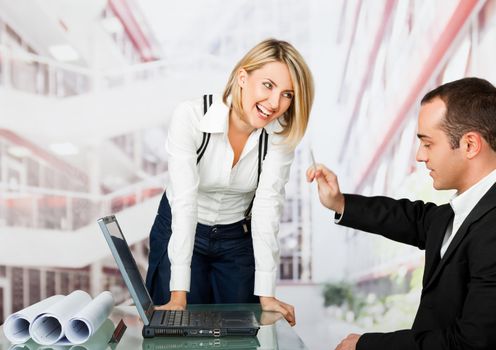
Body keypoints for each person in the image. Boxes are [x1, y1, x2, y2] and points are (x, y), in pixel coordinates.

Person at [307, 77, 496, 349]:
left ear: (469, 145)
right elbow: (409, 217)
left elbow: (471, 343)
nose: (420, 156)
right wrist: (339, 202)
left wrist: (366, 345)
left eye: (428, 144)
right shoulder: (457, 213)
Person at [145, 38, 314, 326]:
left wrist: (267, 294)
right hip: (182, 226)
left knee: (239, 332)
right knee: (177, 329)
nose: (275, 104)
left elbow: (267, 207)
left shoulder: (279, 136)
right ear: (242, 78)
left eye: (287, 94)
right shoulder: (191, 116)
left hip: (237, 239)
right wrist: (178, 295)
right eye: (268, 86)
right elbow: (184, 203)